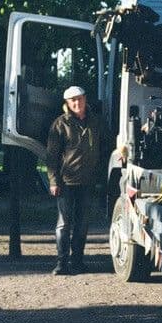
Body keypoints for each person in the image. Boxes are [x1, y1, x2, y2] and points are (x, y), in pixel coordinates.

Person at [45, 85, 106, 275]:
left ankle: (78, 261)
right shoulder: (60, 124)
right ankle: (62, 263)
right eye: (73, 100)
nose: (77, 103)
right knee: (63, 223)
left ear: (85, 99)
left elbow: (106, 146)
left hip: (88, 181)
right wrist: (53, 181)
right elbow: (52, 156)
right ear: (67, 103)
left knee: (82, 223)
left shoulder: (96, 122)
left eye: (80, 99)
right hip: (66, 181)